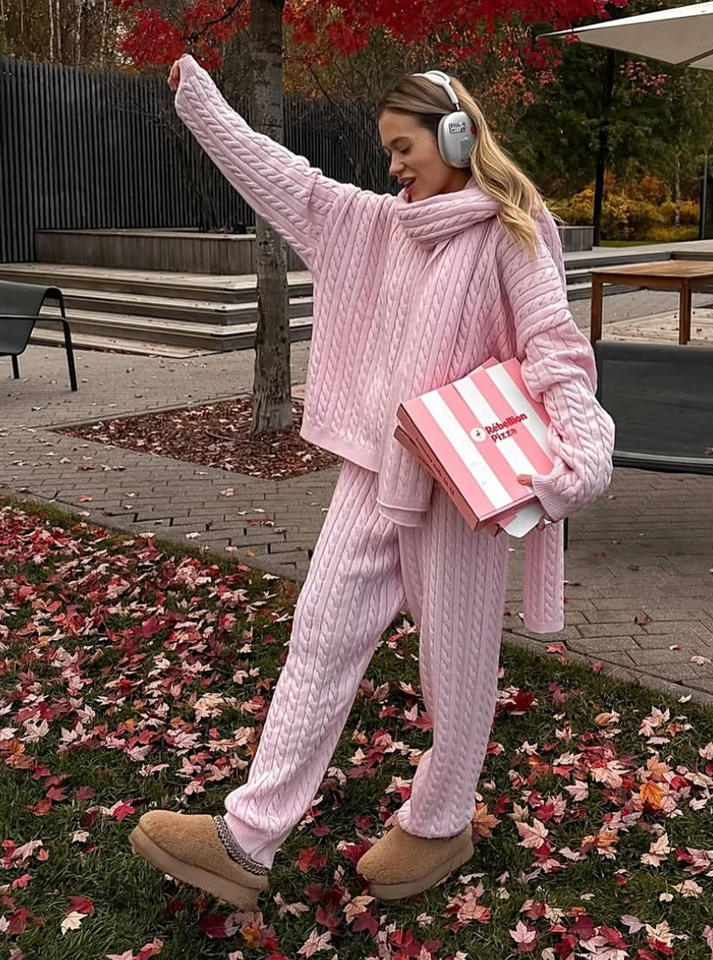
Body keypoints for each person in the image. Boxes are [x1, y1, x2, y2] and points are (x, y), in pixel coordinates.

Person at [129, 56, 614, 908]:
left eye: (403, 146)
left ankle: (442, 821)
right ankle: (246, 839)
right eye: (386, 149)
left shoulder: (512, 230)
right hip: (373, 469)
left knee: (454, 665)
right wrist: (203, 106)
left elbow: (555, 347)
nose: (391, 165)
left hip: (461, 487)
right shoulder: (374, 225)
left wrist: (583, 445)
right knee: (319, 638)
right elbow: (287, 180)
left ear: (457, 136)